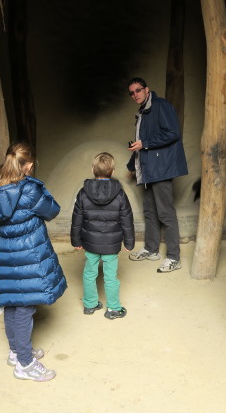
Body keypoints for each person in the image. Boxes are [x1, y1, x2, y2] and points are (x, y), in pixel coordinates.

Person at [0, 142, 67, 382]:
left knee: (13, 304)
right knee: (25, 308)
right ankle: (25, 364)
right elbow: (52, 211)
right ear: (29, 165)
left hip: (6, 257)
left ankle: (16, 352)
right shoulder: (29, 190)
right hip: (30, 257)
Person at [126, 77, 188, 273]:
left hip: (161, 168)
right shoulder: (143, 112)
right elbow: (140, 142)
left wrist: (145, 143)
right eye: (132, 92)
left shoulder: (161, 106)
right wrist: (131, 165)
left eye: (138, 90)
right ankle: (151, 249)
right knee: (150, 212)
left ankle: (173, 257)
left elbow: (173, 133)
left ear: (147, 89)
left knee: (165, 214)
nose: (135, 94)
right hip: (147, 169)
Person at [71, 152, 135, 319]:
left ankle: (90, 304)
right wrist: (129, 242)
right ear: (112, 171)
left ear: (92, 169)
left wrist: (76, 240)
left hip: (90, 243)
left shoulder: (83, 193)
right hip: (111, 244)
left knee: (89, 274)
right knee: (110, 277)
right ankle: (113, 308)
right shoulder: (120, 194)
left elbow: (76, 219)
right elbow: (127, 220)